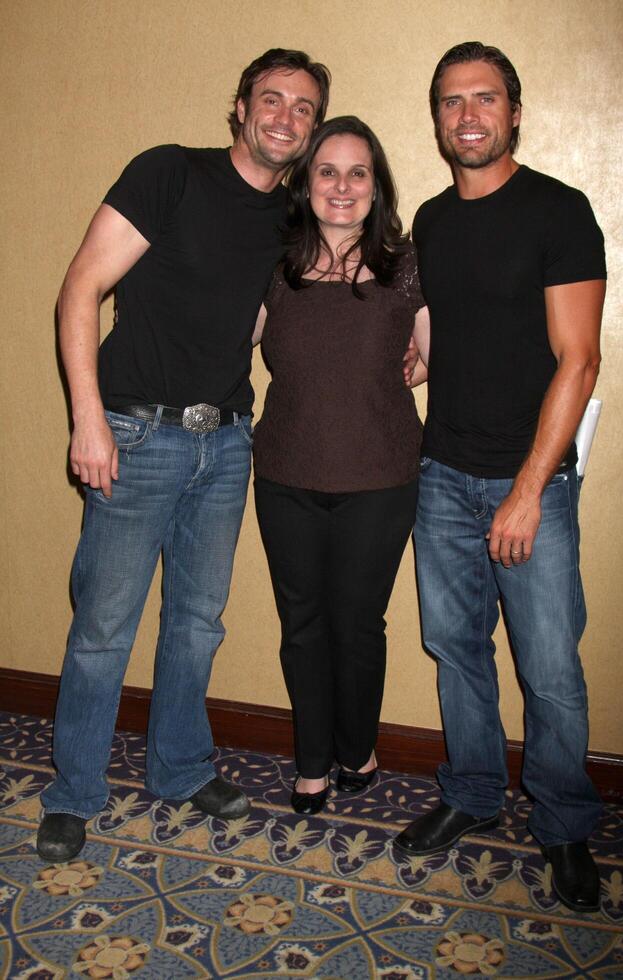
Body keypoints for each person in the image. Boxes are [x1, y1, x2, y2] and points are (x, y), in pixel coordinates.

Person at [37, 49, 331, 863]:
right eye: (271, 99)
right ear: (240, 107)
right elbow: (80, 288)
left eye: (303, 108)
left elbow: (271, 319)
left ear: (311, 129)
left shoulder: (291, 218)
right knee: (103, 628)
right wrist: (87, 420)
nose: (285, 117)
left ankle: (179, 768)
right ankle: (74, 793)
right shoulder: (169, 173)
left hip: (227, 441)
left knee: (197, 625)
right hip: (135, 435)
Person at [393, 42, 606, 914]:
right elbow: (447, 321)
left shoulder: (560, 210)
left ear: (514, 111)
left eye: (486, 99)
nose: (468, 115)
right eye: (452, 101)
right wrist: (415, 352)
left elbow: (581, 361)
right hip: (440, 474)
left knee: (550, 668)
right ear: (437, 117)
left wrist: (526, 489)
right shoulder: (435, 222)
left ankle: (563, 825)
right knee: (455, 649)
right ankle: (474, 795)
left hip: (533, 485)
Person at [251, 116, 430, 814]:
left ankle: (357, 746)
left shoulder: (406, 264)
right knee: (302, 624)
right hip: (286, 474)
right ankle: (311, 760)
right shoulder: (278, 266)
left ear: (376, 186)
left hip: (381, 479)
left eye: (359, 173)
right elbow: (227, 341)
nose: (343, 186)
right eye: (327, 171)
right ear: (306, 181)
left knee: (357, 622)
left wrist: (404, 375)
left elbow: (439, 356)